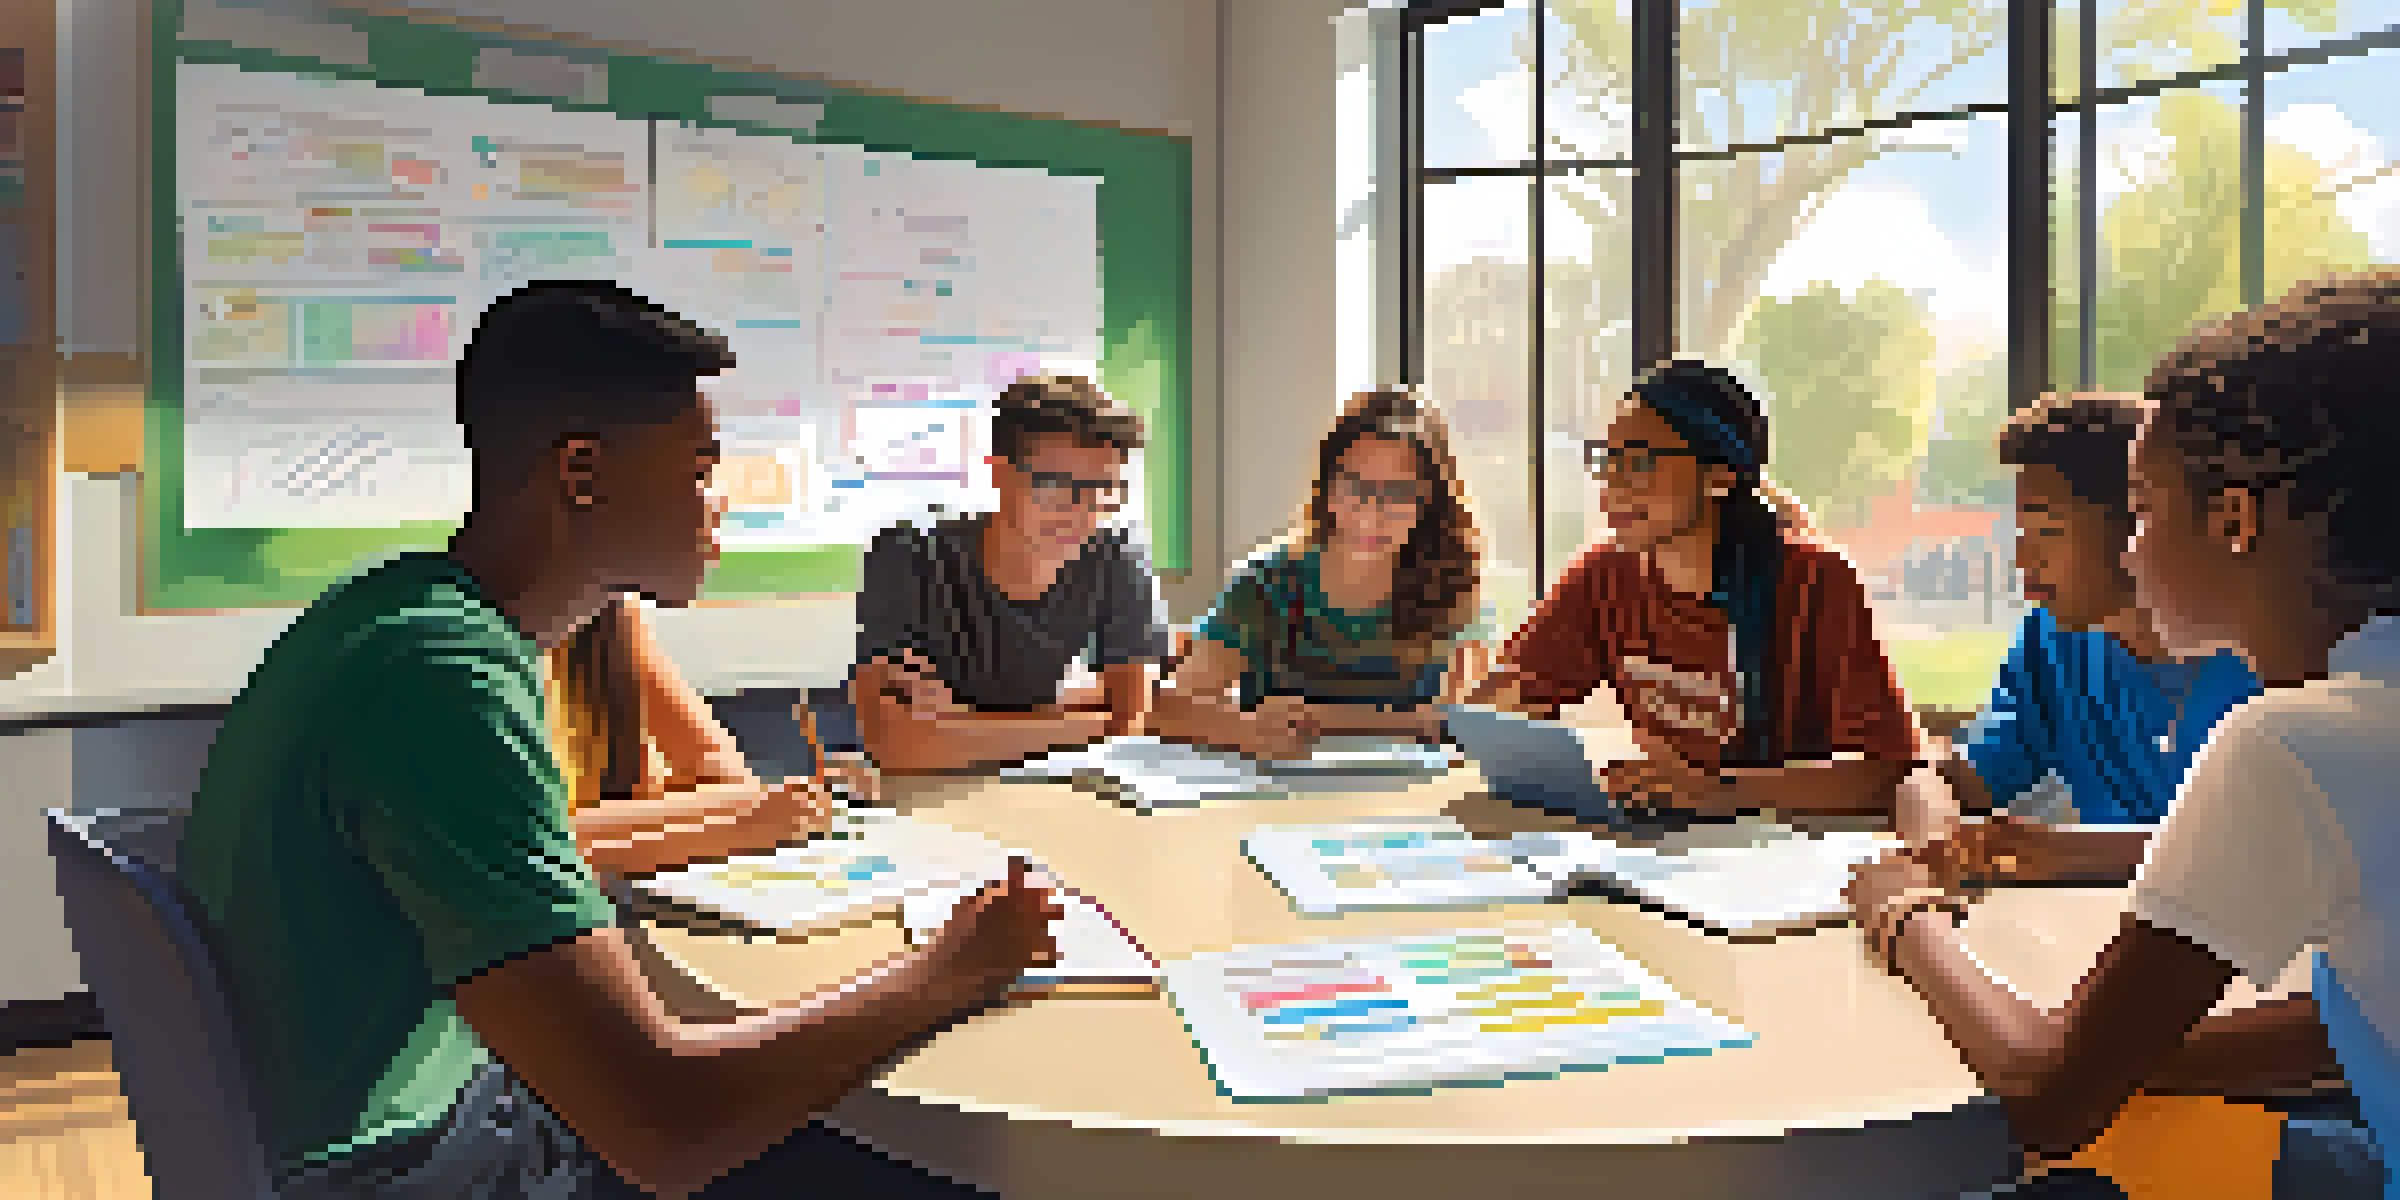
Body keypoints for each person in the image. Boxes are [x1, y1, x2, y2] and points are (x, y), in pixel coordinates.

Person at [177, 281, 1059, 1200]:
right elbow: (665, 1127)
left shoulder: (406, 616)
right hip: (410, 1170)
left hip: (437, 1108)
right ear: (583, 473)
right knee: (940, 1168)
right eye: (699, 469)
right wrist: (953, 969)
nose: (722, 503)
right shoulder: (440, 678)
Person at [1851, 268, 2400, 1200]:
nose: (2132, 552)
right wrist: (2114, 1048)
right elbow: (2353, 1021)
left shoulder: (2290, 740)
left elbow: (2048, 1094)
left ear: (2235, 522)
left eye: (2143, 513)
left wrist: (1903, 916)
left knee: (2032, 1161)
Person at [1466, 358, 1921, 822]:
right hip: (1666, 844)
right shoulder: (1605, 572)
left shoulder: (1815, 581)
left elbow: (1890, 773)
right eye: (1608, 460)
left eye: (1640, 463)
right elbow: (1504, 703)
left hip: (1790, 849)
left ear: (1719, 475)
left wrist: (1720, 791)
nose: (1611, 487)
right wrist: (1485, 704)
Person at [1894, 393, 2263, 876]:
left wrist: (2058, 852)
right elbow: (1944, 776)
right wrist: (1938, 832)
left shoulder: (2266, 656)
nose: (2024, 562)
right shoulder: (2052, 641)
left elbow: (2259, 851)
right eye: (2021, 534)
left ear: (2139, 520)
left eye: (2048, 532)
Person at [850, 374, 1170, 774]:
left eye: (1106, 488)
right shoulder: (909, 554)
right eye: (1056, 485)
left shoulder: (1118, 550)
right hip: (928, 799)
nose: (1084, 511)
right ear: (999, 474)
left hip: (1051, 790)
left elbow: (1129, 732)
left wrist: (961, 724)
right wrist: (1079, 717)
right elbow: (898, 747)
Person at [1151, 388, 1485, 760]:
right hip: (1275, 799)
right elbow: (1166, 708)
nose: (1371, 512)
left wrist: (1317, 718)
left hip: (1405, 801)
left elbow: (1457, 720)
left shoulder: (1452, 581)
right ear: (1326, 487)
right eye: (1354, 486)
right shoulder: (1268, 584)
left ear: (1430, 500)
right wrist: (1244, 728)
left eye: (1399, 492)